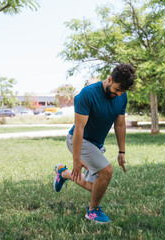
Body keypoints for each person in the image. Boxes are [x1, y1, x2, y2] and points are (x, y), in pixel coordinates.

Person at [53, 63, 136, 224]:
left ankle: (62, 173)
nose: (119, 94)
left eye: (122, 92)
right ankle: (92, 212)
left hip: (96, 145)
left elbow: (120, 125)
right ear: (110, 79)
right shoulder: (88, 94)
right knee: (106, 172)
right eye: (117, 89)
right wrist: (76, 159)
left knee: (94, 186)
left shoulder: (121, 97)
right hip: (79, 139)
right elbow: (79, 128)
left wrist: (122, 152)